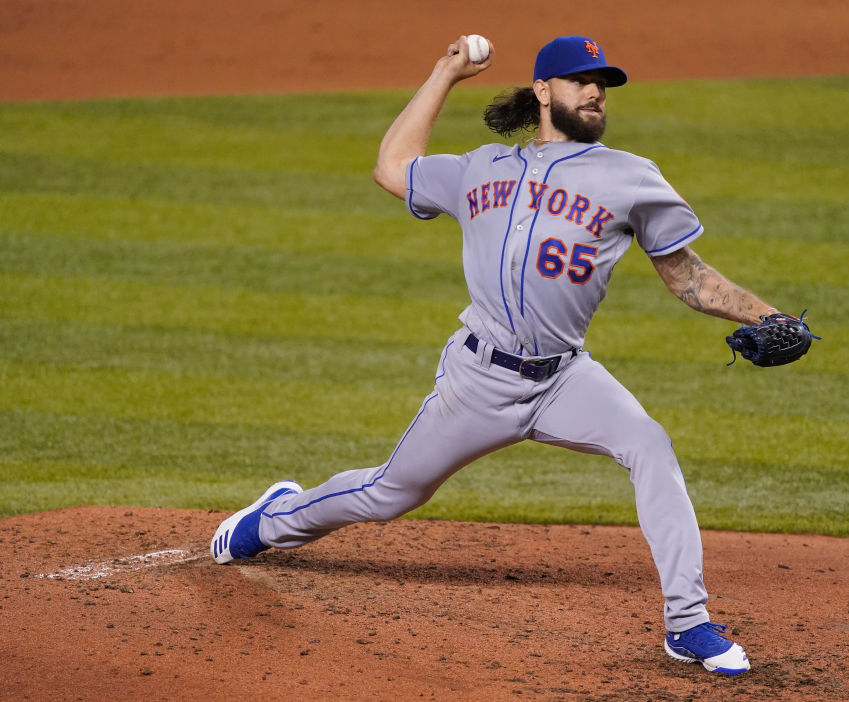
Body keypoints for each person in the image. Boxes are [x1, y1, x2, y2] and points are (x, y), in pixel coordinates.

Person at [211, 35, 786, 676]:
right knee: (390, 493)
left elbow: (688, 276)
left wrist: (768, 316)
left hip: (564, 379)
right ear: (542, 91)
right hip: (478, 379)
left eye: (601, 83)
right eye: (579, 80)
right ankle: (270, 521)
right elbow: (392, 166)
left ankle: (688, 623)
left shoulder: (632, 177)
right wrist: (445, 73)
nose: (594, 92)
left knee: (650, 446)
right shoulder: (480, 168)